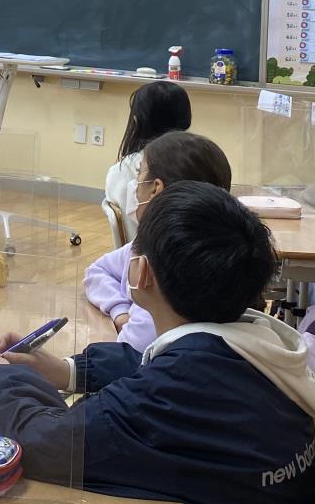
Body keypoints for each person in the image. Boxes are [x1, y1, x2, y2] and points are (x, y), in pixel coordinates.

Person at [0, 183, 315, 504]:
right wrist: (66, 371)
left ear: (141, 272)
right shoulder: (252, 345)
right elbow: (143, 364)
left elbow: (46, 445)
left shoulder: (178, 386)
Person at [82, 132, 231, 352]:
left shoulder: (163, 271)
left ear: (155, 189)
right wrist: (121, 312)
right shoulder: (151, 243)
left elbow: (128, 358)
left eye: (140, 172)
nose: (135, 184)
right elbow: (97, 271)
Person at [102, 81, 191, 238]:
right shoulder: (195, 163)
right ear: (186, 120)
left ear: (136, 121)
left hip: (135, 256)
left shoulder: (119, 171)